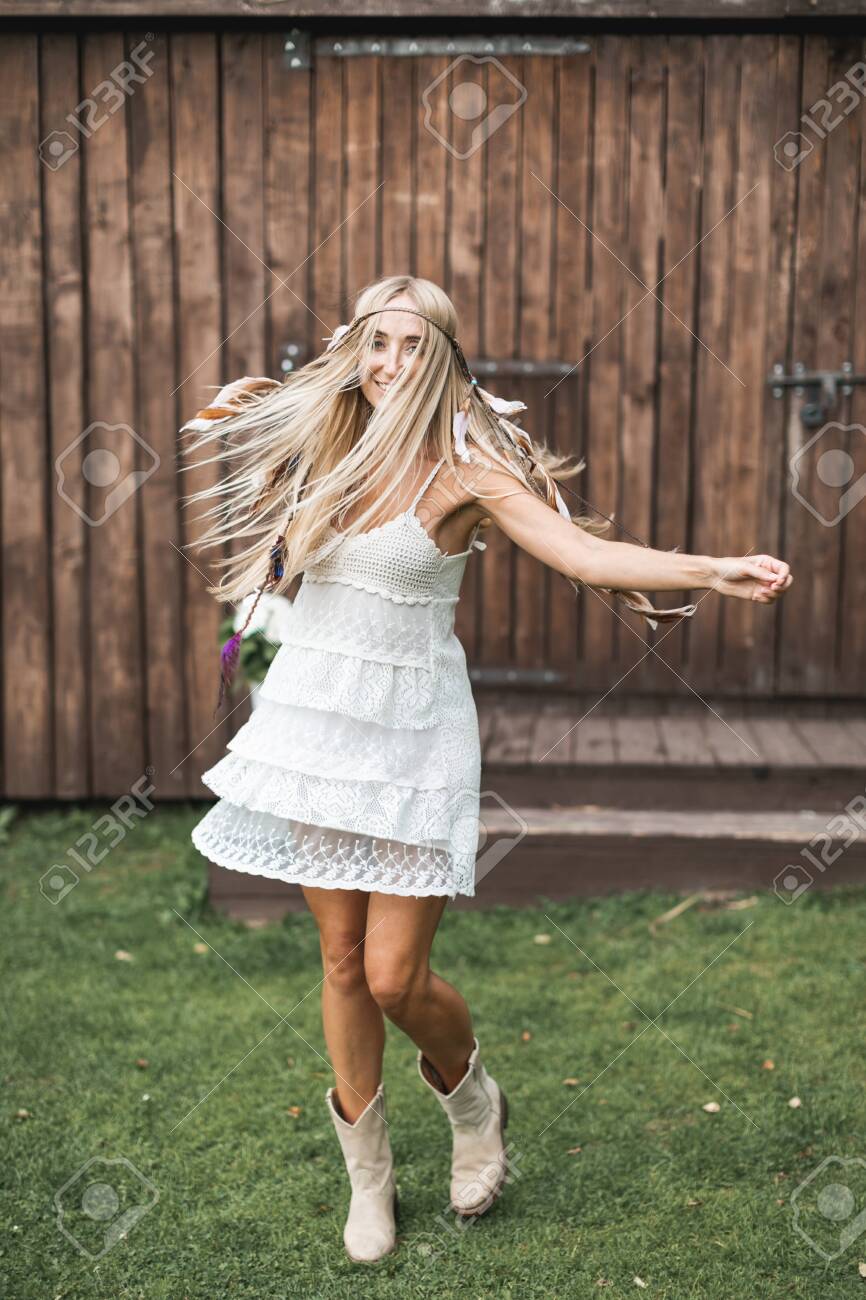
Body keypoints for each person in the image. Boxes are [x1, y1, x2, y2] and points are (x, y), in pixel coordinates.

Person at [180, 274, 792, 1263]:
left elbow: (582, 556)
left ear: (445, 359)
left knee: (393, 976)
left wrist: (710, 571)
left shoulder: (468, 473)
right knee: (339, 960)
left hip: (414, 732)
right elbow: (272, 525)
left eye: (412, 346)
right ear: (355, 349)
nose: (389, 364)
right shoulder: (326, 445)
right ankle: (369, 1180)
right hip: (315, 725)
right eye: (375, 343)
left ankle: (472, 1101)